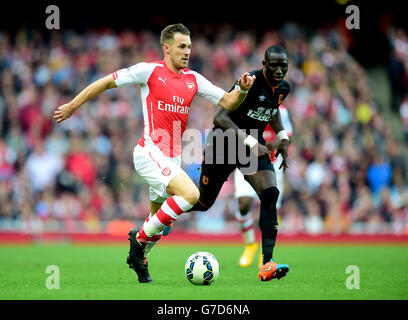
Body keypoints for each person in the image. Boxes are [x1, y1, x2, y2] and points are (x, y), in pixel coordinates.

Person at [53, 23, 255, 283]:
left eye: (190, 47)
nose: (187, 52)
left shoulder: (194, 79)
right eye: (182, 47)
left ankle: (140, 259)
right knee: (191, 194)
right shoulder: (148, 71)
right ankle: (137, 242)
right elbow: (105, 82)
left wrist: (242, 89)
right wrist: (72, 105)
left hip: (171, 159)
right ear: (166, 48)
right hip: (148, 152)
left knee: (160, 225)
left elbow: (228, 101)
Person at [166, 44, 291, 281]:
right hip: (223, 143)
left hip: (251, 146)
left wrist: (282, 136)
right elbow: (220, 117)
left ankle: (267, 264)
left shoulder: (283, 88)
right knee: (203, 202)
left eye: (283, 66)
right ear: (263, 64)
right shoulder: (248, 82)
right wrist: (252, 144)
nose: (278, 70)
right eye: (273, 65)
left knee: (270, 192)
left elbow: (272, 109)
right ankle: (166, 210)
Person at [233, 104, 293, 269]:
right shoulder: (245, 104)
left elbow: (288, 136)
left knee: (268, 206)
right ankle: (250, 244)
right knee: (243, 204)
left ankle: (265, 253)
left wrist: (275, 143)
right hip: (246, 159)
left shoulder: (281, 110)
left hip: (272, 162)